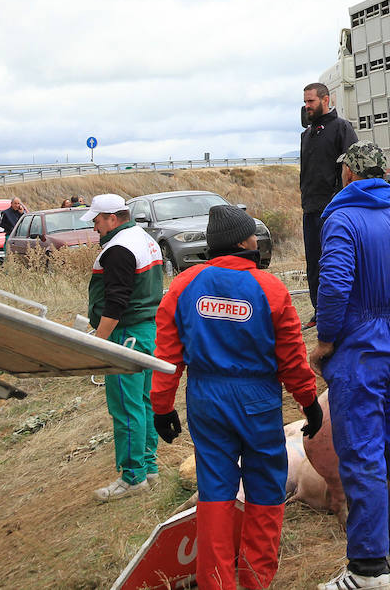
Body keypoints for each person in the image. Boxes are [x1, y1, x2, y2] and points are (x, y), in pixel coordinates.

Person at [152, 204, 322, 590]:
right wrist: (308, 401)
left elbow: (166, 354)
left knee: (215, 490)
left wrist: (162, 407)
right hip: (257, 399)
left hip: (206, 398)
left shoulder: (183, 286)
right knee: (265, 486)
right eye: (253, 237)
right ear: (244, 242)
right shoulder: (270, 288)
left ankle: (216, 583)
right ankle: (255, 579)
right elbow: (291, 357)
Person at [308, 142, 390, 590]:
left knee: (362, 451)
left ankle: (367, 569)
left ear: (348, 173)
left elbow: (334, 286)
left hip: (359, 351)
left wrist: (327, 339)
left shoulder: (342, 219)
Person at [82, 193, 165, 500]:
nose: (95, 228)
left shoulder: (118, 248)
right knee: (143, 402)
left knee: (127, 407)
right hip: (147, 330)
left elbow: (116, 302)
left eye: (97, 221)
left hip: (127, 333)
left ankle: (133, 477)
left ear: (112, 218)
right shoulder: (143, 238)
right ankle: (148, 467)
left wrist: (99, 340)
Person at [300, 82, 358, 324]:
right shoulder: (306, 135)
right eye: (305, 101)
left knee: (336, 262)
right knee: (314, 264)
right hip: (310, 209)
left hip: (335, 211)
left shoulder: (342, 128)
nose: (307, 106)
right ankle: (320, 312)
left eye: (311, 101)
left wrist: (343, 203)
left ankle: (346, 311)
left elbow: (353, 168)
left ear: (326, 100)